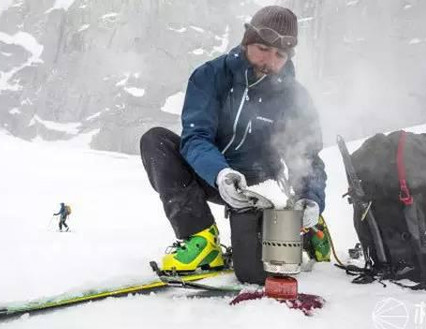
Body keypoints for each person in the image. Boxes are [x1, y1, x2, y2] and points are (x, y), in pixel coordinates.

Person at [139, 6, 326, 284]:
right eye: (263, 48)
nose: (270, 60)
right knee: (155, 141)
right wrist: (220, 173)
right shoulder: (210, 76)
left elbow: (307, 155)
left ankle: (308, 230)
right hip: (212, 175)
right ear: (246, 41)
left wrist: (312, 198)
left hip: (262, 185)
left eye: (280, 55)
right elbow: (195, 138)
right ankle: (201, 240)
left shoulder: (294, 97)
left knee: (255, 265)